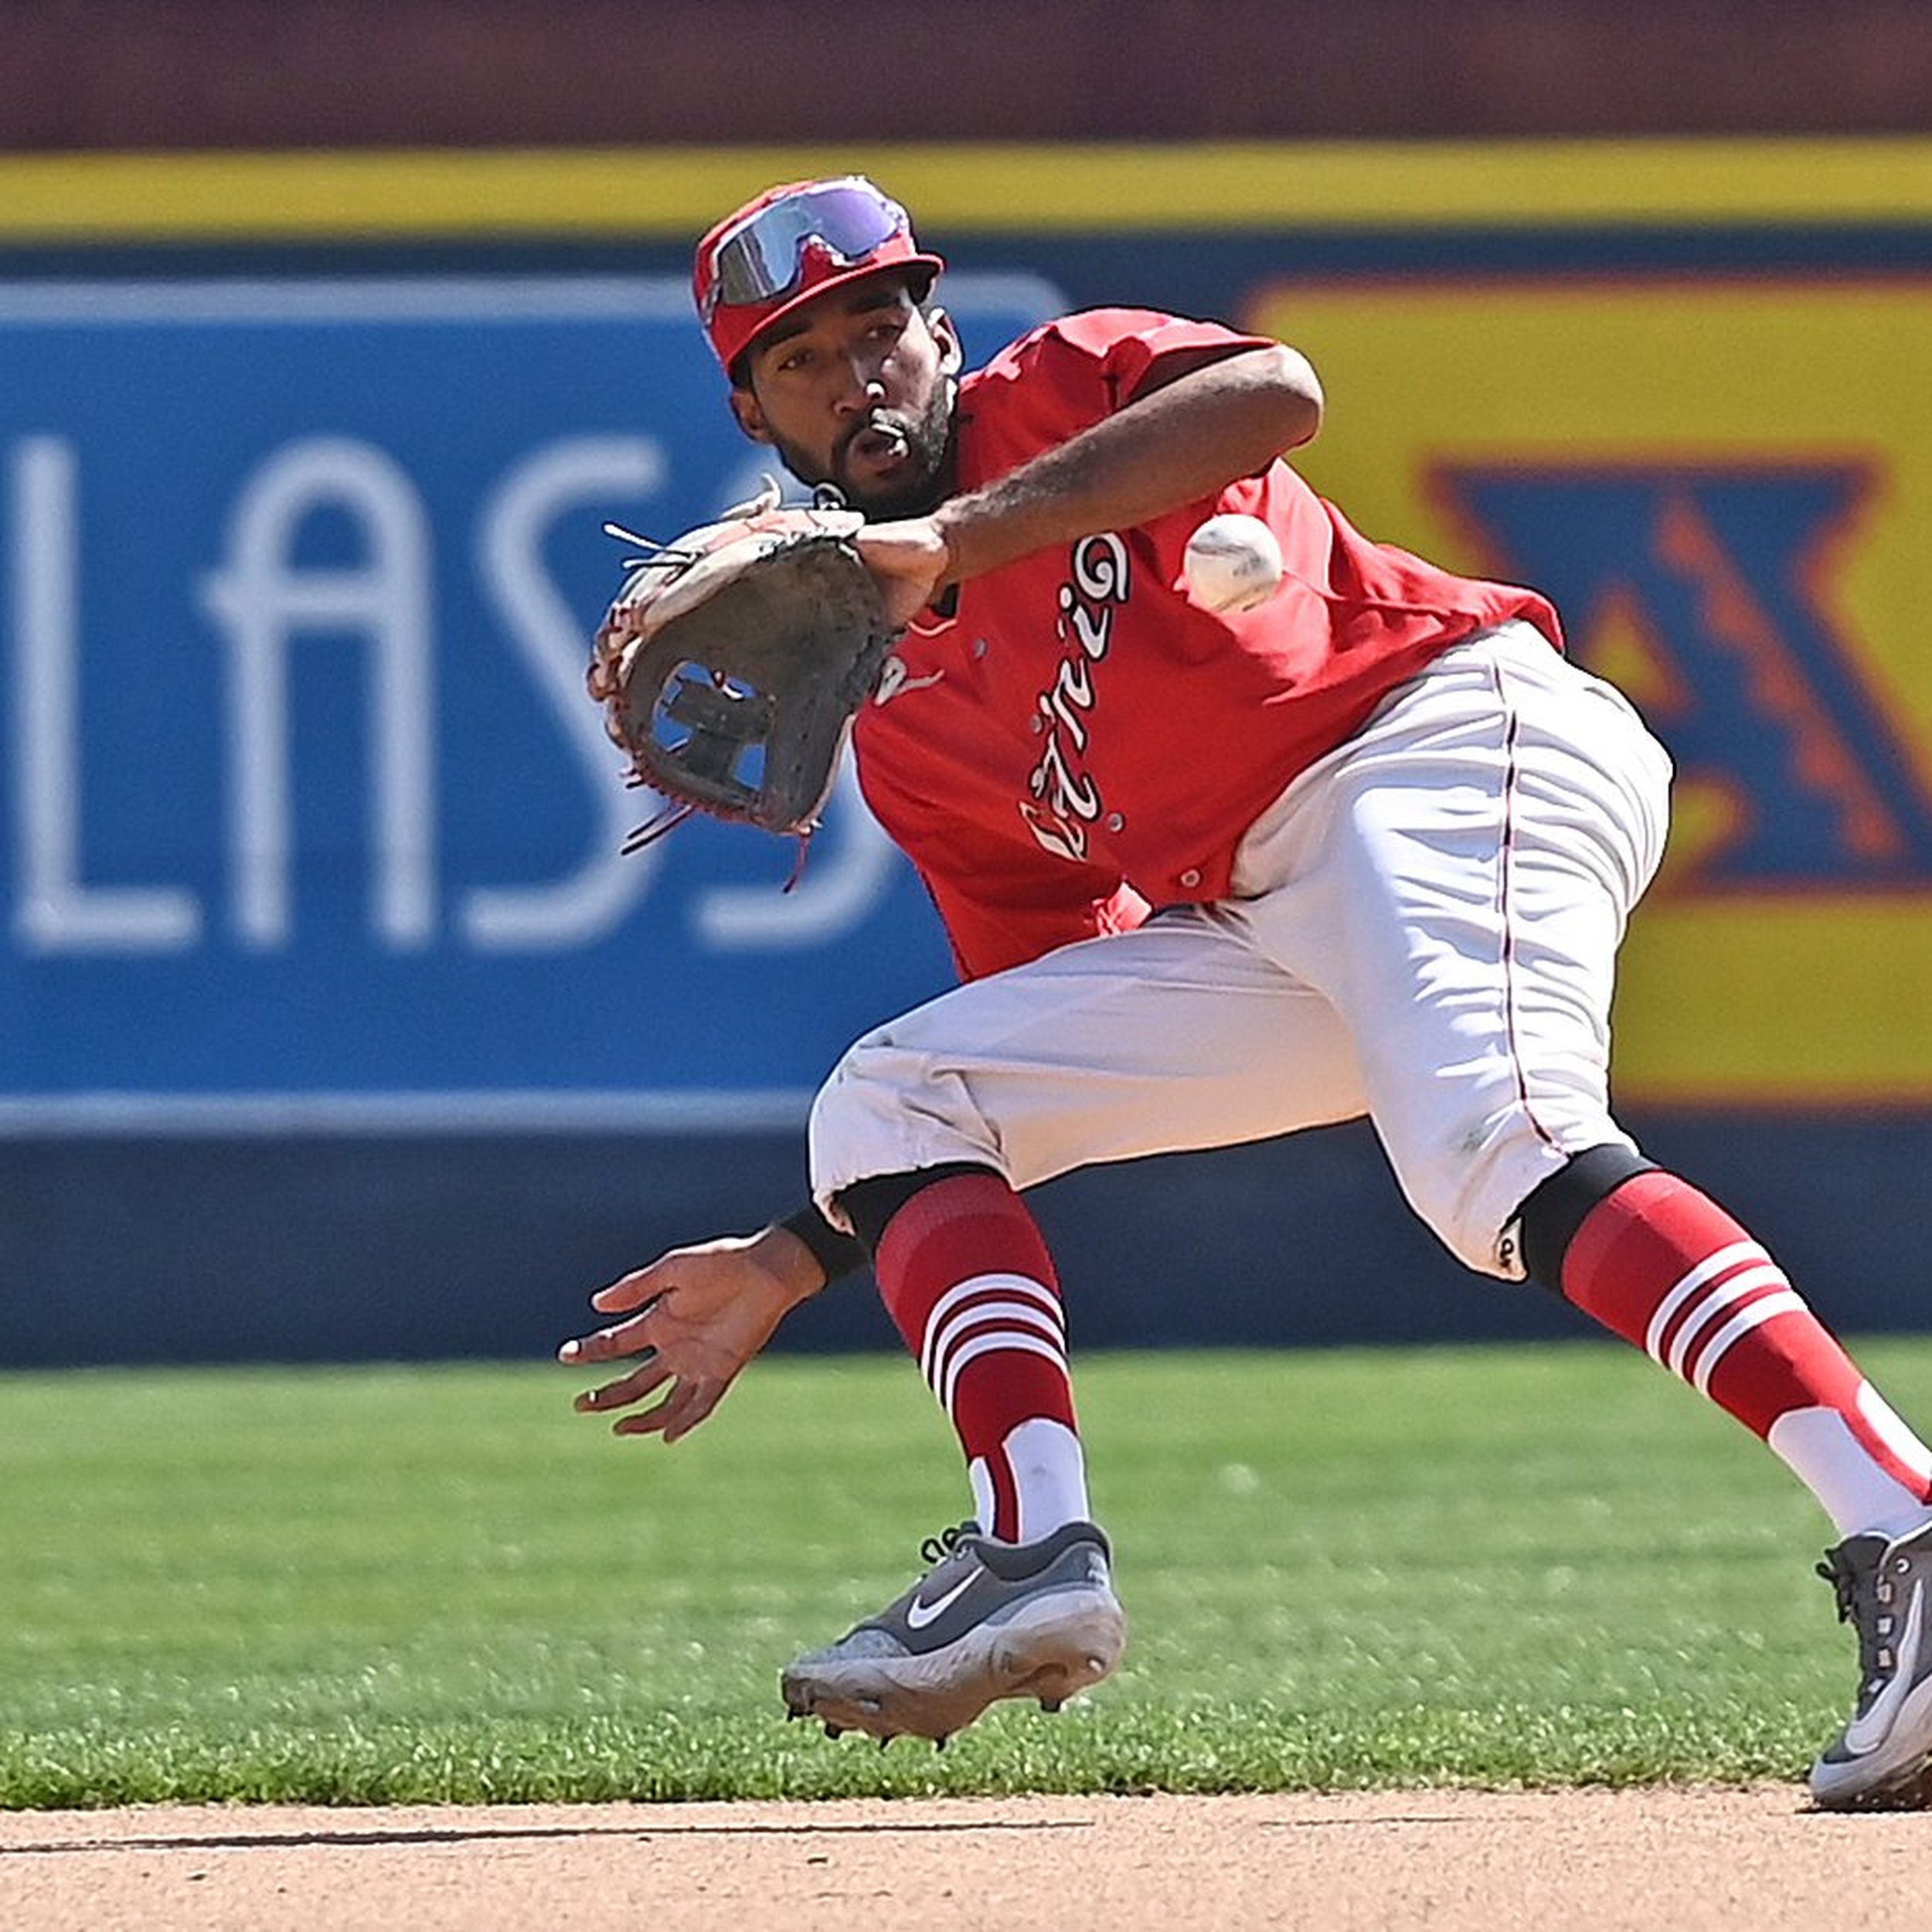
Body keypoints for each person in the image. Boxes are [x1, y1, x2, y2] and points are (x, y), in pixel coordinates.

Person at [558, 175, 1932, 1802]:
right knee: (897, 1096)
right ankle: (1030, 1549)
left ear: (939, 332)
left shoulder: (1057, 391)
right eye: (801, 359)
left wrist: (952, 541)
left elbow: (1272, 393)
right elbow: (1060, 1026)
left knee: (1493, 1148)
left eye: (878, 328)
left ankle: (1900, 1516)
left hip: (1441, 745)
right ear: (751, 409)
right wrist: (798, 1254)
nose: (858, 375)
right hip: (1274, 901)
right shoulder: (912, 744)